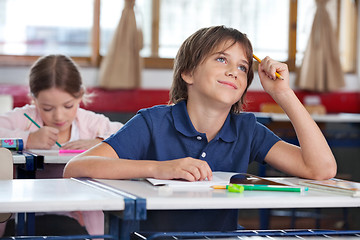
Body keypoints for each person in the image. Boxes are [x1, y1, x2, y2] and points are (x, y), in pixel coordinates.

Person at [64, 26, 337, 232]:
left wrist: (283, 93)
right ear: (188, 73)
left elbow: (322, 169)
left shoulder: (247, 129)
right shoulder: (154, 122)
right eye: (221, 59)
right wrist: (159, 168)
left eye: (243, 67)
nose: (233, 71)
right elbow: (76, 167)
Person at [0, 54, 124, 236]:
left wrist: (100, 142)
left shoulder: (90, 123)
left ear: (80, 95)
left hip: (78, 221)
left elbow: (126, 133)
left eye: (68, 106)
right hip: (23, 217)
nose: (58, 116)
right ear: (33, 99)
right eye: (47, 108)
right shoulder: (24, 119)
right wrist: (28, 139)